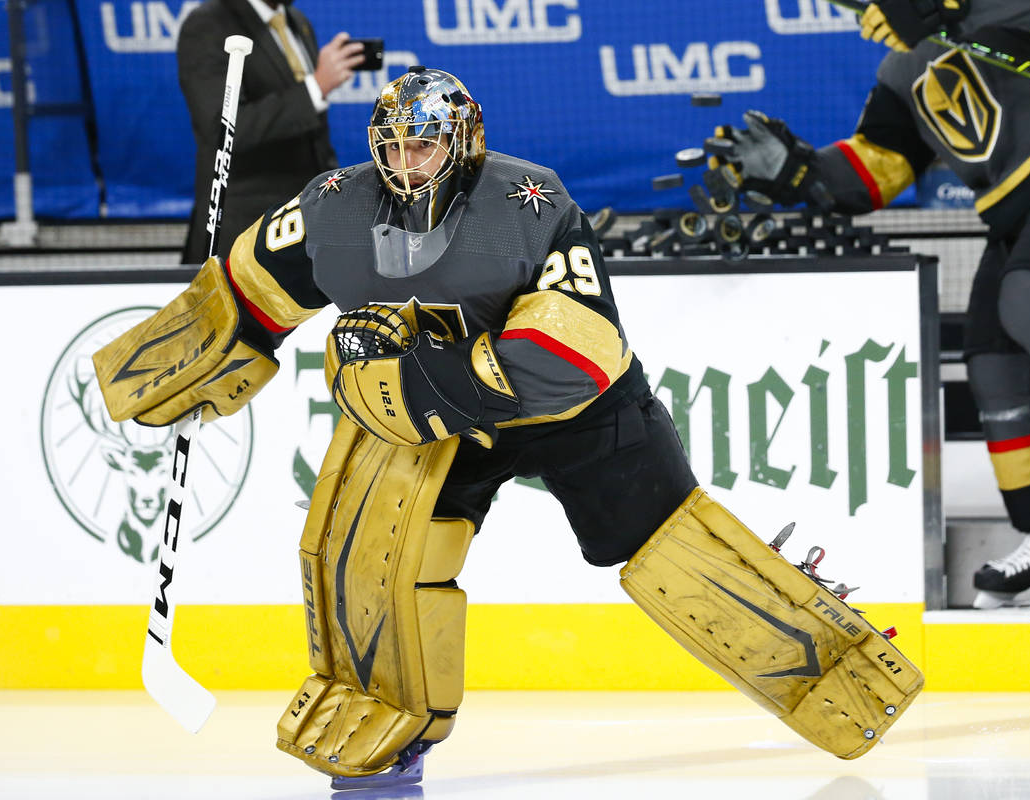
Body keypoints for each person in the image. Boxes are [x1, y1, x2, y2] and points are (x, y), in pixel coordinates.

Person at [90, 68, 922, 788]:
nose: (406, 162)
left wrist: (402, 379)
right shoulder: (333, 209)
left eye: (425, 145)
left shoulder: (531, 202)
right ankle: (393, 721)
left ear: (465, 143)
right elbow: (246, 291)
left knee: (675, 545)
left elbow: (577, 353)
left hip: (572, 413)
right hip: (440, 424)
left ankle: (832, 664)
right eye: (393, 144)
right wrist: (190, 363)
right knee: (369, 551)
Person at [707, 0, 1030, 610]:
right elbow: (879, 169)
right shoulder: (899, 69)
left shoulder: (986, 9)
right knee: (992, 358)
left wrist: (938, 11)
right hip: (1016, 206)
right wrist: (799, 173)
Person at [177, 0, 365, 264]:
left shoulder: (296, 21)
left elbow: (313, 133)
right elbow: (224, 128)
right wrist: (315, 88)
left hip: (303, 229)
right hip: (243, 235)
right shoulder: (209, 24)